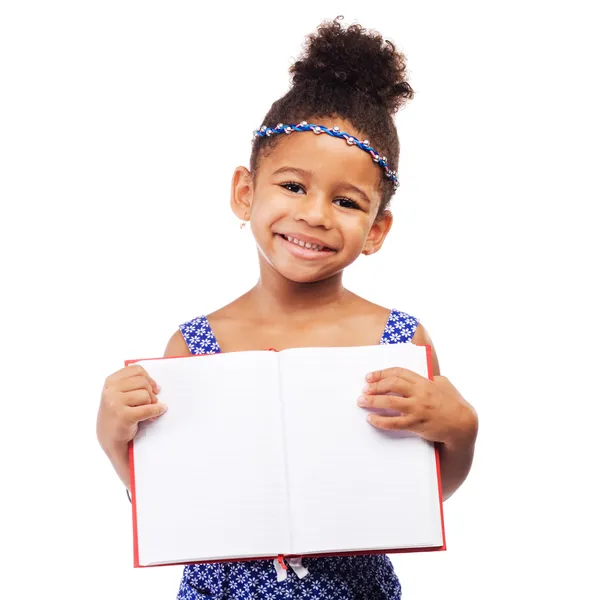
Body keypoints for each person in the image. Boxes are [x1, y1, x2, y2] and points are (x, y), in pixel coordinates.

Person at [96, 16, 478, 600]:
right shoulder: (196, 345)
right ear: (246, 192)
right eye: (294, 186)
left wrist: (459, 431)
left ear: (377, 229)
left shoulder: (395, 339)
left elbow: (421, 495)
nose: (316, 215)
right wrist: (113, 434)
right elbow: (170, 500)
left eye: (347, 201)